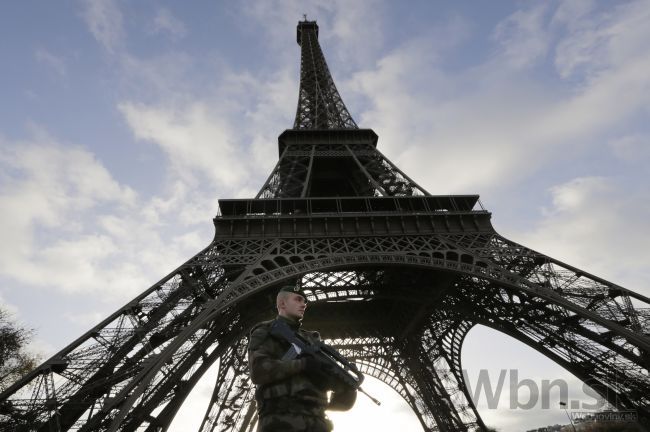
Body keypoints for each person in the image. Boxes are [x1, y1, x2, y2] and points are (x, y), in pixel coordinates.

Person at [248, 285, 357, 432]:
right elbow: (258, 371)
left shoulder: (314, 342)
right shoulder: (265, 331)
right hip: (280, 422)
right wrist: (302, 364)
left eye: (305, 301)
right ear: (282, 304)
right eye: (298, 299)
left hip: (317, 424)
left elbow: (342, 402)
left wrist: (347, 384)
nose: (303, 304)